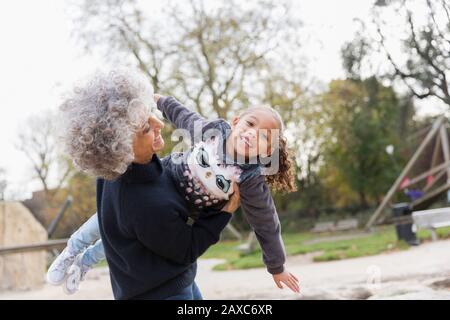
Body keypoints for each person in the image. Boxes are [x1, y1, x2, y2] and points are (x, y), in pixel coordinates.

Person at [49, 68, 240, 299]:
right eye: (146, 128)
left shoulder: (115, 171)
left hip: (164, 282)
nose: (159, 123)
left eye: (150, 112)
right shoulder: (145, 204)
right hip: (162, 293)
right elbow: (186, 248)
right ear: (122, 147)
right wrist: (225, 212)